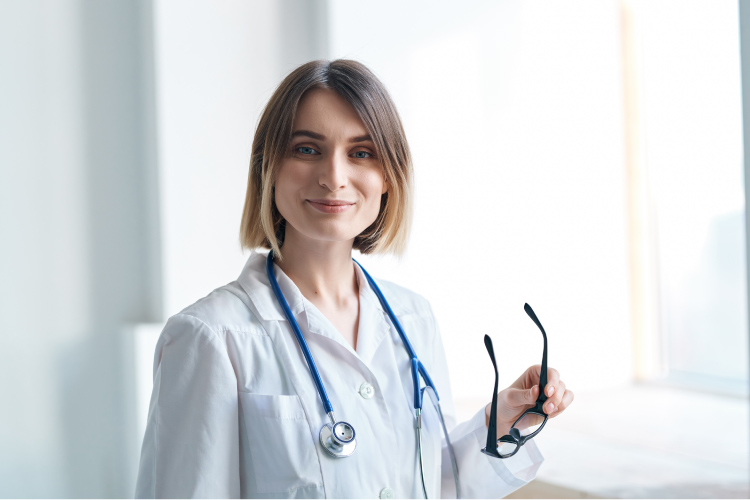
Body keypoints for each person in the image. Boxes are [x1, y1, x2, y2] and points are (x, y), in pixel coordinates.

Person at [135, 59, 574, 499]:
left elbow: (428, 484)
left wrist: (502, 421)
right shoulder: (209, 337)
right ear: (268, 167)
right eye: (307, 149)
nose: (334, 177)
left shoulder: (413, 317)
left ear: (387, 177)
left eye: (360, 153)